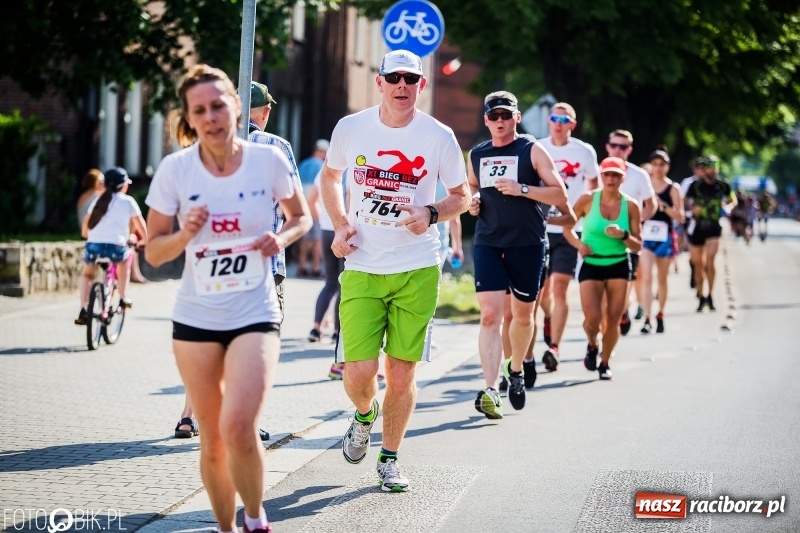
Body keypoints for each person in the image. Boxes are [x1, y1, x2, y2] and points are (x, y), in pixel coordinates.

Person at [145, 64, 311, 533]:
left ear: (237, 108)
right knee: (213, 440)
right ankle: (224, 527)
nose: (212, 116)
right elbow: (154, 251)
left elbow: (301, 216)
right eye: (200, 110)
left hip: (254, 310)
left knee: (239, 426)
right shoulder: (176, 169)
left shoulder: (270, 160)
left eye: (219, 105)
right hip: (196, 315)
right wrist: (185, 234)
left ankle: (255, 517)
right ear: (190, 118)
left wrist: (280, 240)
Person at [319, 50, 470, 492]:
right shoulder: (351, 128)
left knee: (401, 373)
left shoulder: (439, 136)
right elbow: (329, 178)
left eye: (411, 79)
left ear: (421, 86)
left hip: (417, 266)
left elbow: (461, 195)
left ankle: (389, 458)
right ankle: (364, 414)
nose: (402, 86)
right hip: (363, 263)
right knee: (359, 373)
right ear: (380, 82)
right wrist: (342, 224)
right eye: (394, 78)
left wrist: (431, 211)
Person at [172, 81, 298, 442]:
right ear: (265, 112)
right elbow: (293, 209)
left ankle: (187, 417)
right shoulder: (275, 147)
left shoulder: (203, 148)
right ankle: (245, 421)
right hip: (261, 266)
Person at [468, 90, 571, 418]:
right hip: (488, 241)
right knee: (489, 316)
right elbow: (470, 185)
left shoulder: (532, 149)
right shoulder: (478, 154)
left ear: (516, 117)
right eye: (493, 116)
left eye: (505, 115)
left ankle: (515, 371)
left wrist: (523, 189)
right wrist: (472, 201)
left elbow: (560, 194)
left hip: (527, 243)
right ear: (486, 120)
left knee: (524, 316)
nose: (499, 121)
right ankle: (490, 386)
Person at [565, 157, 642, 380]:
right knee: (592, 320)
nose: (611, 179)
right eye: (607, 174)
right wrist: (580, 245)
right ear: (601, 176)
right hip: (591, 263)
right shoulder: (588, 200)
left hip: (619, 262)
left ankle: (605, 362)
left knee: (613, 318)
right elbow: (567, 228)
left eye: (616, 175)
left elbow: (638, 244)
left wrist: (624, 235)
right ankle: (592, 344)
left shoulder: (631, 206)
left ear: (622, 178)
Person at [536, 102, 598, 371]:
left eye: (564, 119)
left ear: (572, 124)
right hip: (538, 228)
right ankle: (550, 318)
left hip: (568, 230)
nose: (558, 123)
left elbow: (593, 186)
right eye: (554, 118)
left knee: (560, 286)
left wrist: (584, 215)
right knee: (541, 293)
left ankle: (554, 347)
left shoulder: (584, 151)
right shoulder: (537, 148)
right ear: (549, 121)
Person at [75, 167, 147, 325]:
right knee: (123, 263)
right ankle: (122, 298)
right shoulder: (128, 201)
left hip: (94, 245)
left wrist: (88, 237)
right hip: (116, 246)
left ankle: (83, 309)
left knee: (88, 275)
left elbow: (85, 227)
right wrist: (144, 242)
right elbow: (141, 227)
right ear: (124, 186)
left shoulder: (97, 200)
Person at [605, 130, 657, 334]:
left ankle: (624, 309)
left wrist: (637, 221)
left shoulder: (638, 175)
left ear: (630, 150)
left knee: (627, 278)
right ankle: (619, 312)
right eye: (614, 145)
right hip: (602, 237)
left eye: (623, 147)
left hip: (628, 238)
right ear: (607, 147)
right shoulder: (600, 172)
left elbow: (651, 204)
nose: (618, 150)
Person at [639, 150, 684, 333]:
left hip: (665, 236)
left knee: (662, 279)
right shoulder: (645, 185)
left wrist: (662, 206)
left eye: (662, 164)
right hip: (646, 236)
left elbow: (680, 216)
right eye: (655, 164)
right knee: (646, 276)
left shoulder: (673, 188)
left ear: (667, 167)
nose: (658, 168)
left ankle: (661, 313)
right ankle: (647, 318)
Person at [684, 156, 736, 312]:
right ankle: (700, 295)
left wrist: (728, 207)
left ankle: (710, 294)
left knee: (710, 261)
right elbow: (684, 202)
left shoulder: (723, 185)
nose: (711, 170)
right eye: (708, 167)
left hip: (714, 226)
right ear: (703, 169)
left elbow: (733, 200)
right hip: (697, 226)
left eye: (714, 167)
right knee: (698, 263)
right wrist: (692, 209)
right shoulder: (695, 186)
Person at [296, 139, 329, 277]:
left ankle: (302, 265)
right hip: (315, 205)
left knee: (305, 237)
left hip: (302, 205)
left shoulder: (303, 164)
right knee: (317, 238)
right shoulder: (322, 166)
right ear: (321, 151)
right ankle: (315, 267)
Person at [680, 158, 707, 288]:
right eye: (699, 168)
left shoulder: (711, 184)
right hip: (691, 221)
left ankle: (701, 279)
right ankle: (695, 271)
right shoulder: (688, 183)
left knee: (706, 254)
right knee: (694, 253)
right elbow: (682, 201)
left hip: (708, 222)